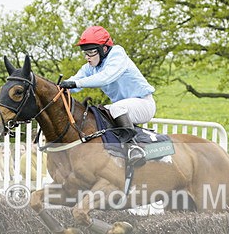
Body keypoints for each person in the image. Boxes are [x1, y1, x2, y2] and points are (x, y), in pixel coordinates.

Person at [58, 25, 156, 164]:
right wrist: (58, 88)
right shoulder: (91, 67)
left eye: (91, 52)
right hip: (125, 107)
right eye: (85, 53)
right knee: (101, 112)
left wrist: (75, 84)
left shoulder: (117, 54)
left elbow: (105, 77)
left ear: (104, 49)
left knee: (115, 108)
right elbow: (75, 80)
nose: (87, 57)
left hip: (144, 104)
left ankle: (133, 148)